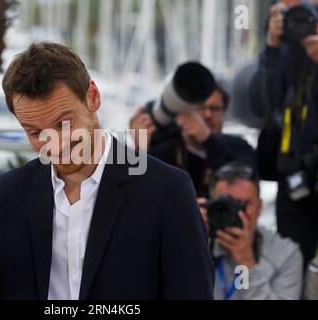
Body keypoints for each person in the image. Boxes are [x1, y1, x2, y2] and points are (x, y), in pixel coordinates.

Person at [0, 42, 214, 300]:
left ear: (93, 97)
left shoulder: (166, 189)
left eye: (64, 123)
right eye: (35, 132)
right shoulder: (6, 194)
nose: (55, 144)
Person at [250, 0, 318, 266]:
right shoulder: (284, 51)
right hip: (293, 179)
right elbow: (262, 105)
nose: (303, 19)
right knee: (293, 263)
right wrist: (272, 47)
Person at [199, 162, 303, 300]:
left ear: (260, 206)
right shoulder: (198, 243)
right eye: (225, 204)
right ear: (209, 205)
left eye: (244, 204)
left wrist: (246, 263)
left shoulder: (285, 254)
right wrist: (191, 235)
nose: (237, 213)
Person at [130, 84, 256, 197]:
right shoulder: (166, 151)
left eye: (215, 108)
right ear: (184, 113)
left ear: (224, 112)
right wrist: (139, 149)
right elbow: (136, 192)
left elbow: (246, 180)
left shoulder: (238, 147)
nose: (208, 115)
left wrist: (207, 138)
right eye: (200, 108)